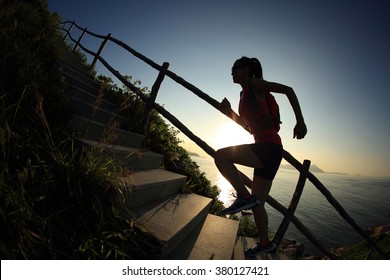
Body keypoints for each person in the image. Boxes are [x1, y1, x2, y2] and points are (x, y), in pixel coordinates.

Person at [215, 56, 307, 256]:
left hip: (268, 148)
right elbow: (249, 127)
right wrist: (229, 112)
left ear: (247, 70)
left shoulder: (254, 84)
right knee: (258, 205)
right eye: (231, 68)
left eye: (236, 67)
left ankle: (243, 196)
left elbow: (289, 90)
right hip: (269, 151)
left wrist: (300, 121)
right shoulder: (243, 94)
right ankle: (265, 244)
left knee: (221, 156)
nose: (232, 71)